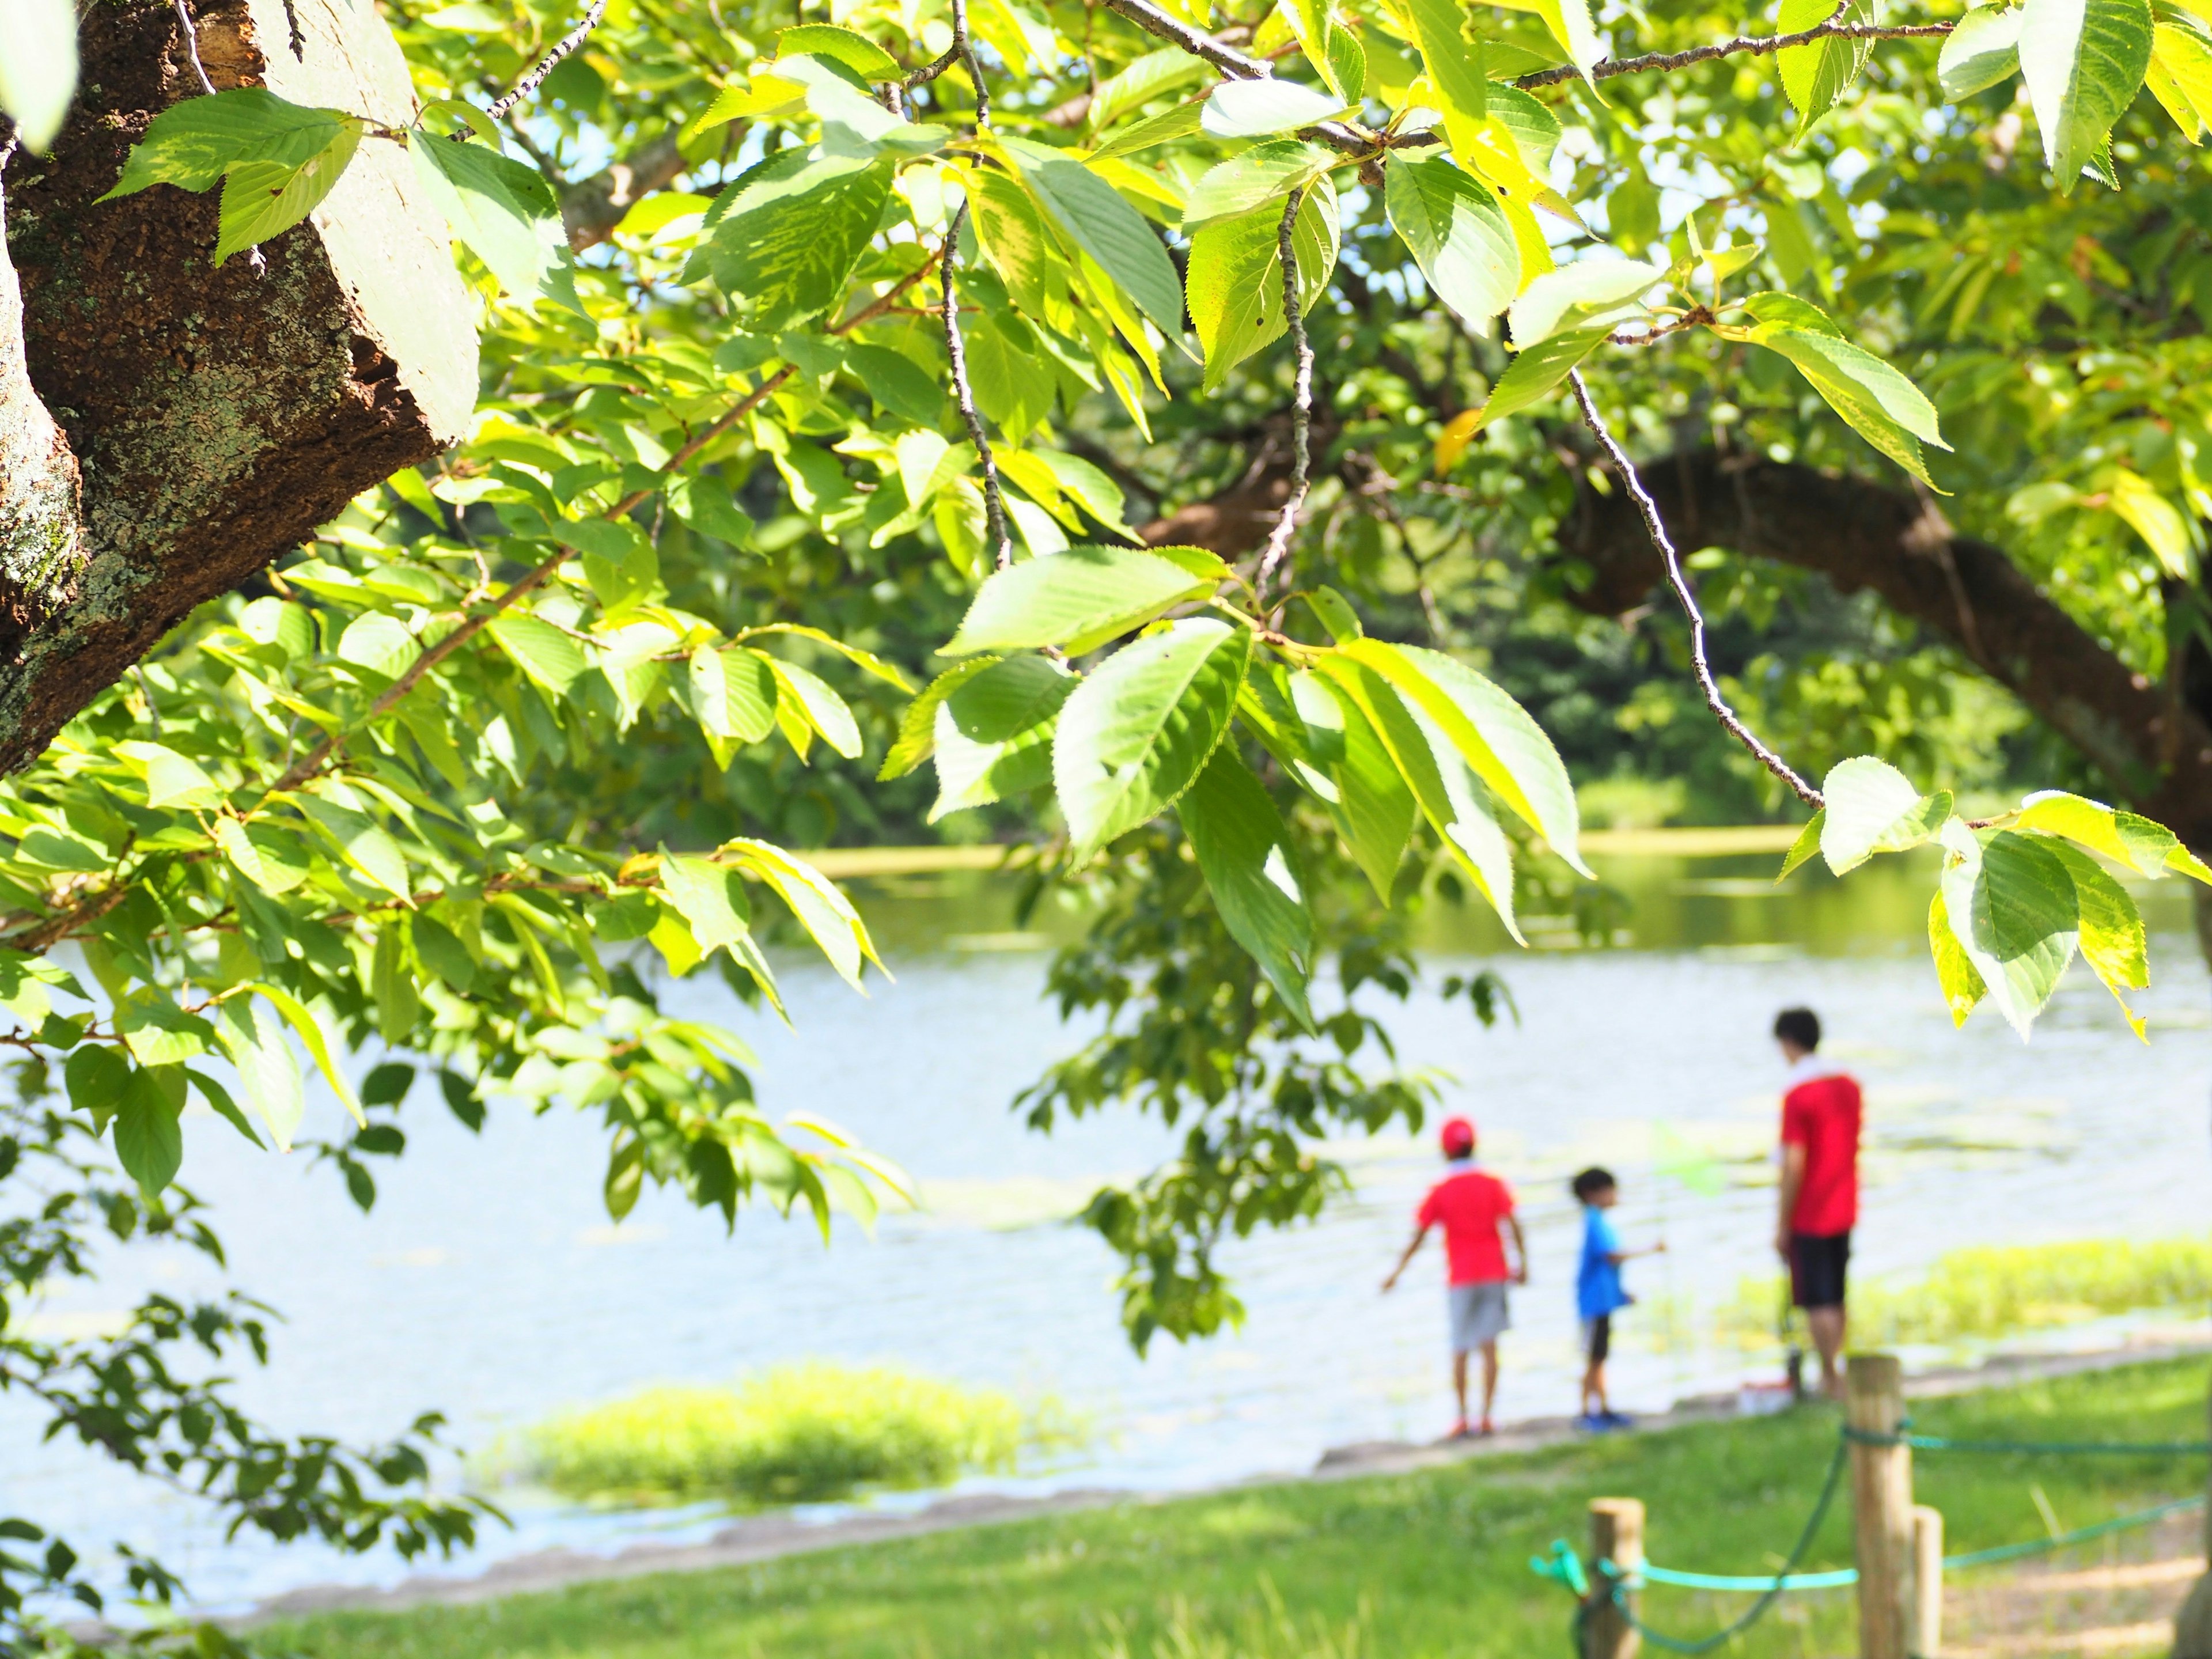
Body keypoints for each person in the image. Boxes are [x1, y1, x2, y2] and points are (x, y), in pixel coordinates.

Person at [1381, 1115, 1527, 1439]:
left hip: (1461, 1277)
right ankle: (1487, 1417)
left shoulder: (1441, 1190)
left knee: (1461, 1347)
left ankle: (1461, 1418)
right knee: (1490, 1347)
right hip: (1494, 1272)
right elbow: (1514, 1224)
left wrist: (1396, 1273)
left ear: (1445, 1151)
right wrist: (1523, 1263)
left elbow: (1418, 1236)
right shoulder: (1493, 1183)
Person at [1772, 1006, 1862, 1399]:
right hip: (1844, 1204)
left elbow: (1794, 1163)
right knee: (1838, 1293)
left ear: (1788, 1042)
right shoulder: (1849, 1085)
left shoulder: (1797, 1094)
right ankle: (1837, 1370)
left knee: (1816, 1299)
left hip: (1810, 1213)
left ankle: (1830, 1378)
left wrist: (1781, 1224)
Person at [1571, 1166, 1665, 1431]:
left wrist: (1621, 1294)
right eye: (1610, 1190)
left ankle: (1603, 1409)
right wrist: (1651, 1249)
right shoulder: (1594, 1220)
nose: (1615, 1195)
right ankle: (1585, 1413)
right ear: (1593, 1194)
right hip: (1593, 1303)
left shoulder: (1599, 1220)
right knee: (1593, 1357)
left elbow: (1606, 1267)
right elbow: (1612, 1256)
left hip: (1604, 1301)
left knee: (1600, 1356)